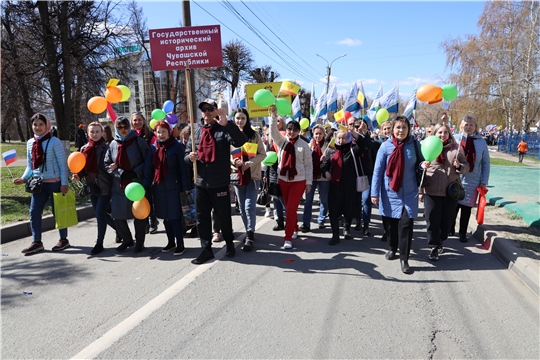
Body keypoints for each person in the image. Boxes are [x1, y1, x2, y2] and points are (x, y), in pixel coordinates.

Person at [186, 99, 247, 265]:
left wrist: (228, 125)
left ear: (216, 111)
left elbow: (240, 142)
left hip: (219, 182)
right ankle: (206, 250)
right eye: (204, 109)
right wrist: (189, 157)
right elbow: (186, 154)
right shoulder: (196, 132)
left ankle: (229, 244)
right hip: (201, 183)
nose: (206, 112)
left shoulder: (223, 129)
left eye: (210, 109)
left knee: (223, 217)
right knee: (202, 218)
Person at [371, 116, 422, 274]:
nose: (401, 130)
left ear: (409, 129)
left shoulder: (414, 144)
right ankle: (393, 247)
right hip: (389, 192)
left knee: (406, 225)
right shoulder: (385, 147)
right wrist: (374, 193)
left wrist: (423, 164)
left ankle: (404, 259)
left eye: (404, 127)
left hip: (409, 192)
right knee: (391, 225)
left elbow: (420, 162)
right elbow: (378, 171)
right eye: (398, 127)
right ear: (393, 130)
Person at [13, 113, 70, 254]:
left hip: (55, 183)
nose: (37, 127)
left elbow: (63, 165)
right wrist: (24, 178)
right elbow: (30, 166)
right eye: (35, 124)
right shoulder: (30, 143)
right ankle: (37, 242)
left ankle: (64, 240)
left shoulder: (54, 141)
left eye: (41, 124)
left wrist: (64, 183)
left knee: (59, 213)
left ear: (47, 125)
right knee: (34, 212)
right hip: (38, 184)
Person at [419, 123, 469, 261]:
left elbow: (467, 167)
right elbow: (419, 165)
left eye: (445, 132)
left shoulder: (456, 149)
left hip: (450, 192)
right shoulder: (427, 146)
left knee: (447, 221)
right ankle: (434, 246)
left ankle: (442, 239)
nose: (443, 135)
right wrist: (422, 166)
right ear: (434, 134)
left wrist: (459, 166)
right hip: (432, 191)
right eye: (440, 132)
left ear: (449, 134)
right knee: (432, 221)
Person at [143, 120, 191, 256]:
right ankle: (171, 242)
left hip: (174, 186)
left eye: (164, 131)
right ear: (155, 133)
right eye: (159, 132)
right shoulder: (153, 148)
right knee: (165, 217)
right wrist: (144, 186)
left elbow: (183, 168)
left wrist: (186, 186)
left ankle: (180, 244)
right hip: (159, 187)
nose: (161, 135)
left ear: (169, 132)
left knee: (175, 217)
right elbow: (148, 169)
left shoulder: (176, 147)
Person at [268, 105, 313, 249]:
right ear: (286, 130)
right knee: (288, 208)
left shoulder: (304, 145)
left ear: (299, 131)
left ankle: (287, 238)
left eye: (295, 129)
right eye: (289, 129)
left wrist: (309, 182)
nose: (292, 132)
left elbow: (308, 165)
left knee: (291, 209)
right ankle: (294, 228)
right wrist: (274, 117)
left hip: (298, 180)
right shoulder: (282, 141)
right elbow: (273, 132)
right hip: (283, 179)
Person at [104, 116, 149, 253]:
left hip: (136, 184)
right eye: (120, 127)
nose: (123, 130)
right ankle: (127, 239)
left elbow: (147, 161)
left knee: (139, 214)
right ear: (116, 129)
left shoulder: (138, 141)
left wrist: (135, 172)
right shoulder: (113, 144)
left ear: (130, 127)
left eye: (126, 126)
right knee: (118, 215)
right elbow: (107, 164)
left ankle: (140, 242)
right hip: (119, 185)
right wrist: (119, 173)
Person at [73, 122, 116, 255]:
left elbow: (112, 164)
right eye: (92, 132)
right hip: (91, 186)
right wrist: (78, 175)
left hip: (105, 185)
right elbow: (82, 167)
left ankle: (99, 243)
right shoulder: (84, 149)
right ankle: (121, 231)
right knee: (101, 214)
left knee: (99, 214)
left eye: (97, 131)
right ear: (88, 133)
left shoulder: (108, 148)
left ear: (102, 133)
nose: (95, 134)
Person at [231, 108, 266, 251]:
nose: (240, 121)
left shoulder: (254, 136)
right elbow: (228, 154)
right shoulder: (230, 135)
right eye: (237, 118)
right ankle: (248, 231)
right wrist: (235, 162)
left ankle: (250, 234)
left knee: (249, 206)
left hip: (253, 176)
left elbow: (262, 154)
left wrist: (250, 163)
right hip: (238, 176)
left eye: (243, 118)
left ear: (247, 119)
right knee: (242, 208)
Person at [321, 129, 365, 244]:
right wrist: (326, 172)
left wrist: (355, 133)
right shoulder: (331, 151)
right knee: (333, 211)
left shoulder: (353, 150)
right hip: (335, 186)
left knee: (348, 209)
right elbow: (324, 166)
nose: (340, 141)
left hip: (349, 187)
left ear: (348, 138)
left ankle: (346, 229)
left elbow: (363, 145)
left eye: (343, 138)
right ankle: (335, 234)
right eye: (339, 138)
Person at [452, 115, 490, 242]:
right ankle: (450, 227)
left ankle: (462, 232)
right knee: (453, 205)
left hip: (473, 180)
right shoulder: (455, 139)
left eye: (471, 125)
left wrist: (484, 181)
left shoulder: (481, 142)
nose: (468, 127)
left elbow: (485, 163)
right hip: (455, 177)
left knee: (466, 208)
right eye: (466, 124)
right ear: (461, 126)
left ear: (475, 127)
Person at [131, 111, 159, 234]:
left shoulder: (150, 135)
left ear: (143, 121)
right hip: (135, 171)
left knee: (148, 197)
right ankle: (145, 221)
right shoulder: (130, 135)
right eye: (135, 120)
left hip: (148, 169)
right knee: (139, 198)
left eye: (139, 120)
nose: (137, 122)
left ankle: (153, 220)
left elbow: (155, 150)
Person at [299, 124, 330, 232]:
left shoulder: (328, 146)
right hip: (311, 177)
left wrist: (325, 159)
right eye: (316, 133)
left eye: (320, 133)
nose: (318, 136)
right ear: (313, 134)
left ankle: (321, 219)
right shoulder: (308, 145)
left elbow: (332, 160)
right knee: (308, 200)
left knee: (324, 200)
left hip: (323, 177)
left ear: (323, 134)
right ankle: (306, 223)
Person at [353, 118, 380, 236]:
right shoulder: (350, 140)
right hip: (355, 174)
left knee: (365, 200)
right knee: (356, 200)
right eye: (356, 126)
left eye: (361, 126)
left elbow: (372, 147)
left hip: (367, 173)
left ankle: (366, 224)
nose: (358, 128)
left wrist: (365, 134)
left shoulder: (371, 141)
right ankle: (358, 220)